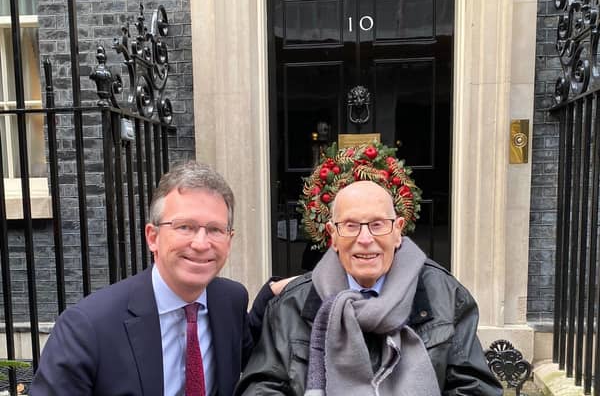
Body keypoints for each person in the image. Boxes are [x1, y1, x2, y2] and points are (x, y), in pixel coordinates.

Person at [30, 161, 277, 396]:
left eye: (215, 230)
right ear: (152, 237)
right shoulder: (88, 327)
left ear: (229, 239)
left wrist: (276, 292)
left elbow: (254, 357)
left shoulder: (230, 301)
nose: (201, 244)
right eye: (185, 227)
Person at [235, 180, 503, 395]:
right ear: (333, 235)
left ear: (398, 231)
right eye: (350, 226)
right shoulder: (292, 306)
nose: (365, 239)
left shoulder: (445, 295)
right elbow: (262, 386)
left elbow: (475, 387)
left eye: (378, 225)